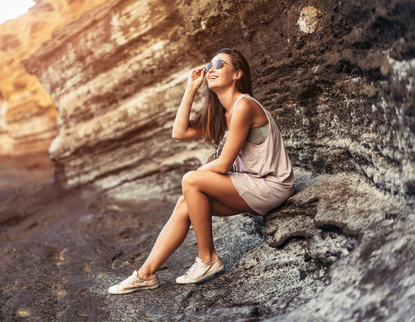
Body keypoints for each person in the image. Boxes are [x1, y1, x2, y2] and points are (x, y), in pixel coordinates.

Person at [108, 48, 295, 294]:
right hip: (251, 185)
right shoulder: (222, 113)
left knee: (192, 181)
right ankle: (145, 274)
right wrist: (191, 88)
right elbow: (180, 132)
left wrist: (197, 175)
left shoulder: (244, 106)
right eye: (209, 66)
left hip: (272, 186)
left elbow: (223, 164)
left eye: (219, 64)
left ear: (237, 73)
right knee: (185, 203)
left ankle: (207, 259)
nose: (211, 69)